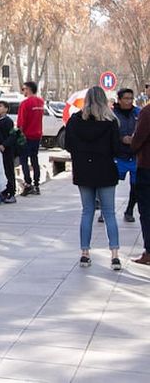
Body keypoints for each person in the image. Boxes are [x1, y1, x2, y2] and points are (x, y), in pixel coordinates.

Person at [64, 86, 123, 270]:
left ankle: (84, 253)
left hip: (83, 171)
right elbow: (117, 148)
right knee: (109, 213)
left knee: (87, 211)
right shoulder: (111, 121)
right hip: (105, 170)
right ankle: (114, 255)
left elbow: (67, 144)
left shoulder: (75, 120)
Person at [113, 88, 140, 222]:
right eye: (126, 98)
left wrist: (136, 139)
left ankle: (129, 210)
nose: (129, 101)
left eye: (131, 98)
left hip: (135, 156)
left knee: (136, 186)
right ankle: (107, 210)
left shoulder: (138, 113)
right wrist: (121, 138)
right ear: (119, 100)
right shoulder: (112, 114)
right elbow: (109, 133)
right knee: (110, 184)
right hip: (118, 156)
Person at [130, 98, 150, 265]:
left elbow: (138, 139)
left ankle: (149, 251)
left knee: (147, 210)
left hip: (147, 166)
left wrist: (131, 144)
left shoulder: (147, 112)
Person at [17, 81, 45, 196]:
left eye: (24, 89)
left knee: (24, 160)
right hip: (37, 135)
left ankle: (28, 184)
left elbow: (21, 121)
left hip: (26, 136)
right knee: (34, 159)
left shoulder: (25, 103)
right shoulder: (41, 102)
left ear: (28, 89)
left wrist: (19, 134)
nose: (23, 91)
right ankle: (37, 185)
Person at [0, 100, 18, 203]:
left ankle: (12, 193)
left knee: (9, 171)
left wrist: (4, 145)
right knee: (2, 171)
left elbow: (12, 136)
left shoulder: (8, 121)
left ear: (6, 109)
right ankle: (4, 192)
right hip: (0, 151)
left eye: (0, 106)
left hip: (7, 150)